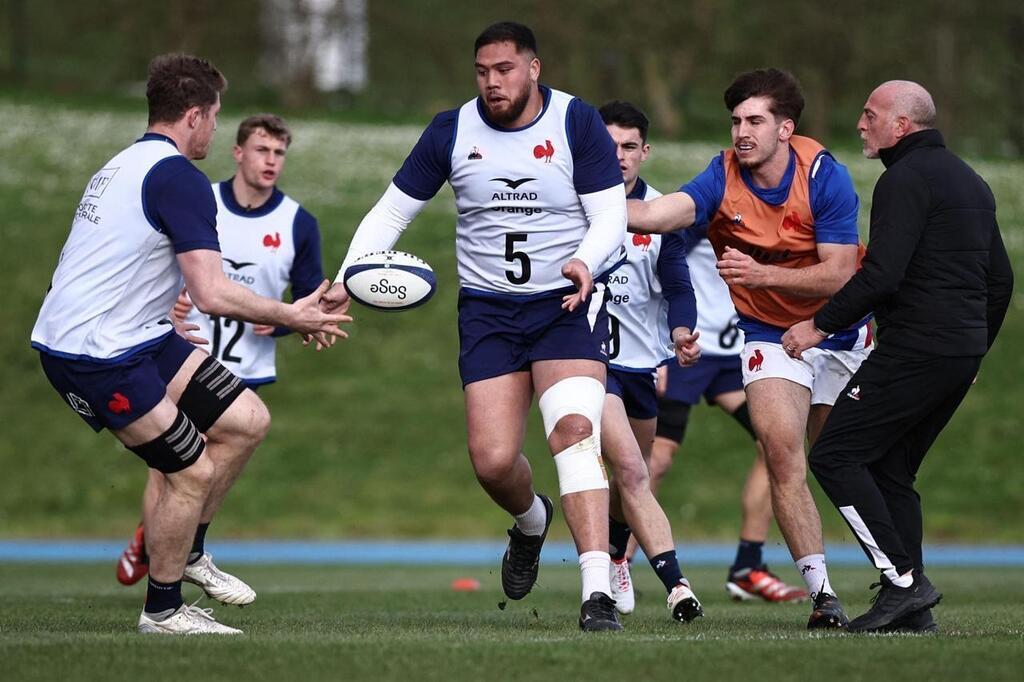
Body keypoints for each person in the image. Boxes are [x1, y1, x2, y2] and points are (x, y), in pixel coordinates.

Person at [320, 22, 628, 631]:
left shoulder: (576, 122)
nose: (493, 82)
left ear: (534, 68)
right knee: (491, 461)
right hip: (488, 310)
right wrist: (346, 277)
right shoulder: (451, 130)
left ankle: (597, 592)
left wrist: (585, 262)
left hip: (565, 302)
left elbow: (611, 214)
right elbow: (391, 213)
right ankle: (531, 522)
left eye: (505, 69)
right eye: (483, 71)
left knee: (572, 431)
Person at [30, 54, 348, 635]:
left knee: (246, 419)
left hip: (138, 336)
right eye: (216, 118)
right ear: (196, 116)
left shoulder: (123, 164)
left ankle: (190, 550)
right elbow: (212, 292)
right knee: (190, 472)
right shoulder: (179, 177)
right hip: (93, 355)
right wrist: (292, 316)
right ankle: (163, 610)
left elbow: (107, 261)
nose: (215, 130)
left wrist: (154, 308)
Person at [626, 68, 868, 629]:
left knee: (848, 463)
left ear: (786, 128)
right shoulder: (721, 175)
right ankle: (822, 594)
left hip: (840, 330)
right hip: (763, 337)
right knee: (780, 452)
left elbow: (839, 275)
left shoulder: (824, 176)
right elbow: (665, 217)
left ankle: (902, 576)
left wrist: (762, 275)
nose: (741, 131)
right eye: (736, 120)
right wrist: (592, 205)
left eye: (754, 120)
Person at [782, 80, 1013, 633]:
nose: (861, 124)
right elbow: (1000, 281)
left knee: (835, 455)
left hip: (917, 347)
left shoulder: (903, 180)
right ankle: (913, 610)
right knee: (889, 467)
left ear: (901, 125)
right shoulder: (971, 181)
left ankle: (905, 584)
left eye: (870, 114)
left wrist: (817, 325)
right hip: (956, 352)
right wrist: (974, 348)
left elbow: (882, 276)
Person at [115, 114, 325, 592]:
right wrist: (168, 303)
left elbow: (308, 299)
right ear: (238, 152)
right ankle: (165, 557)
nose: (271, 161)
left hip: (246, 365)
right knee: (169, 463)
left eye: (279, 153)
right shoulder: (198, 197)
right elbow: (153, 260)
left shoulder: (299, 223)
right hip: (181, 355)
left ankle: (163, 543)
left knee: (201, 467)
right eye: (262, 150)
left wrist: (289, 321)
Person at [645, 225, 808, 604]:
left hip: (736, 352)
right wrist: (656, 339)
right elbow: (655, 267)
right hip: (688, 349)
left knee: (777, 445)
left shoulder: (775, 209)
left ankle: (748, 567)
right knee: (656, 461)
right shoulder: (708, 205)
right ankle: (617, 560)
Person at [596, 101, 704, 622]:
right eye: (608, 144)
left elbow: (679, 287)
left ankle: (617, 557)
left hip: (641, 365)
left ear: (644, 151)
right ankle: (675, 584)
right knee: (634, 469)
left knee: (626, 479)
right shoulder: (570, 204)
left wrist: (682, 333)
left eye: (629, 146)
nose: (618, 156)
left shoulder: (661, 212)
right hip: (588, 362)